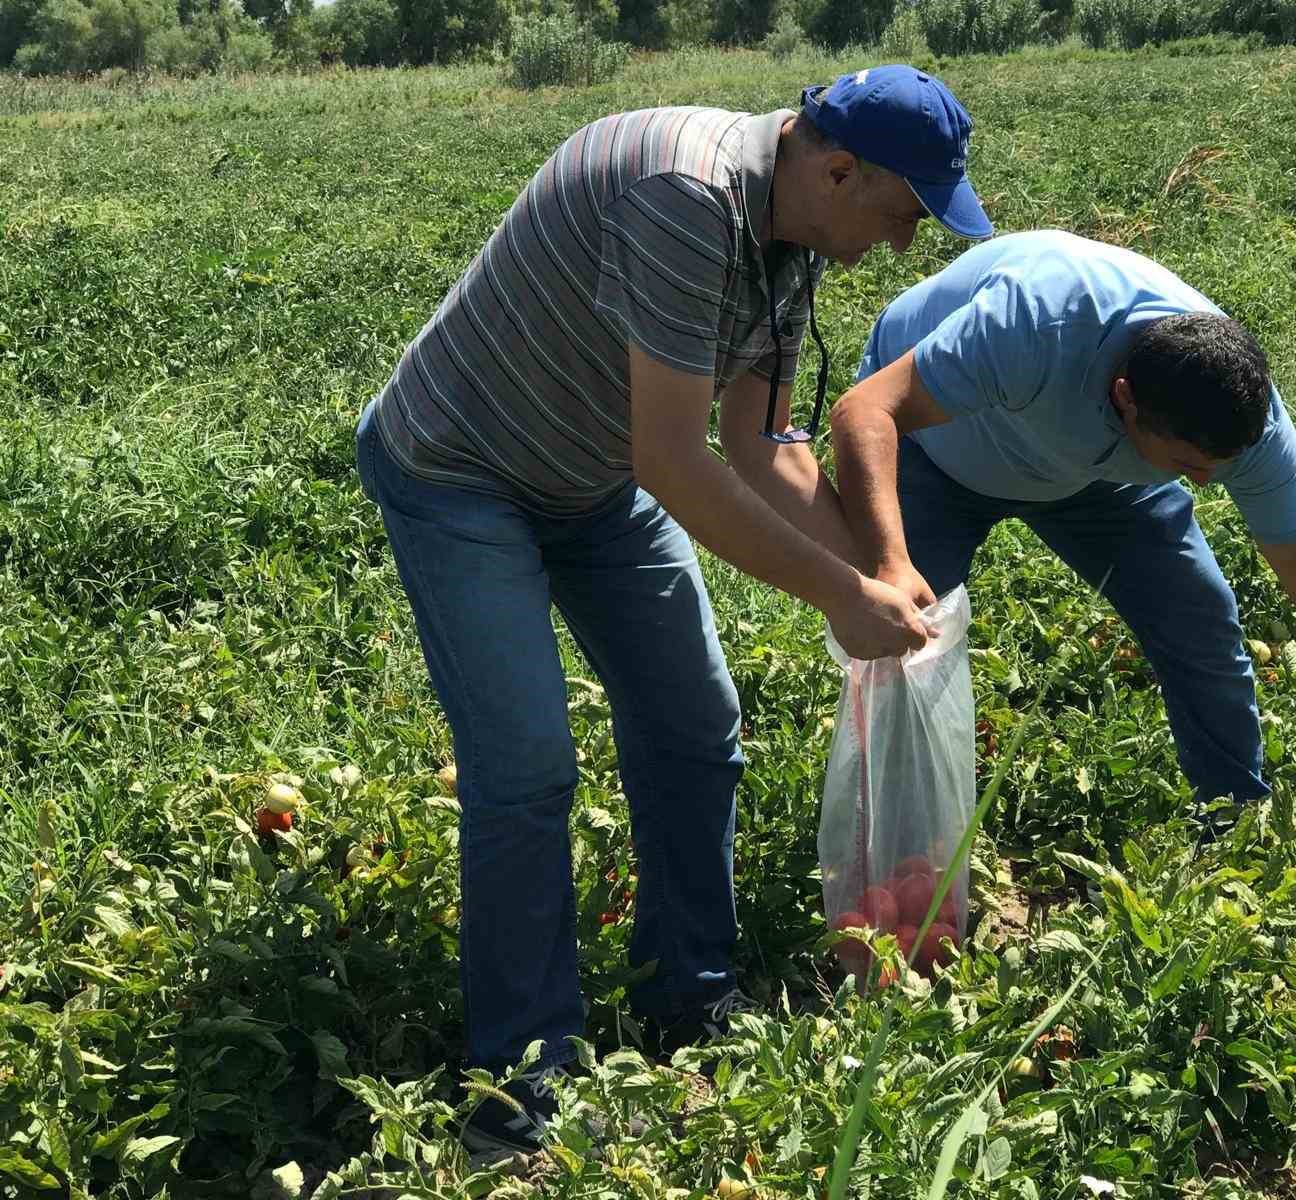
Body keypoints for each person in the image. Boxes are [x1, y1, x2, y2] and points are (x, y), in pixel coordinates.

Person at [353, 65, 993, 1154]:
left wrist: (882, 568)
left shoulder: (788, 237)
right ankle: (520, 1088)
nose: (897, 246)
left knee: (696, 727)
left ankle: (686, 1003)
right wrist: (841, 597)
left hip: (591, 482)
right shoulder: (683, 199)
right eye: (898, 216)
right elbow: (673, 461)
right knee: (524, 770)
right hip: (462, 473)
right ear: (837, 170)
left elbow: (757, 446)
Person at [830, 229, 1296, 829]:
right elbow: (865, 410)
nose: (1203, 483)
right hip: (935, 445)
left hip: (1088, 472)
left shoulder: (1242, 425)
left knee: (1198, 615)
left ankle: (1232, 818)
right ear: (1126, 399)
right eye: (1187, 466)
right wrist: (889, 563)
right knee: (902, 641)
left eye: (1217, 468)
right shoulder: (1035, 327)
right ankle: (901, 841)